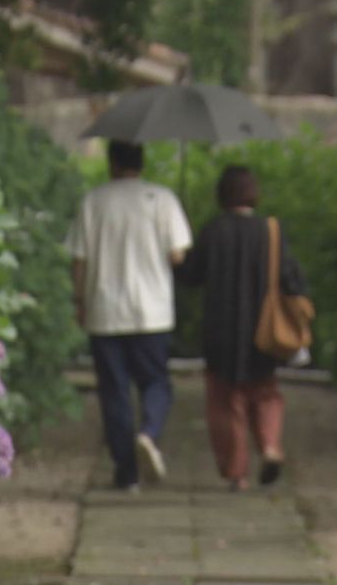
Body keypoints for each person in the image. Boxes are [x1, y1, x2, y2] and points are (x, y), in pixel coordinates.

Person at [66, 140, 192, 491]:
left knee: (114, 391)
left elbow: (79, 260)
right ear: (142, 162)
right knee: (156, 382)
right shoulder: (163, 199)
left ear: (111, 164)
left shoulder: (94, 202)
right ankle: (149, 432)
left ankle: (127, 474)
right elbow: (178, 256)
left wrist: (79, 300)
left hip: (104, 311)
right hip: (152, 312)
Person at [177, 165, 306, 491]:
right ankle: (271, 446)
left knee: (226, 401)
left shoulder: (212, 231)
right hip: (264, 329)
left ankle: (237, 474)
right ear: (253, 194)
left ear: (221, 194)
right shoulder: (270, 231)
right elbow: (292, 279)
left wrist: (179, 257)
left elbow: (191, 277)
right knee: (265, 393)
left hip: (220, 330)